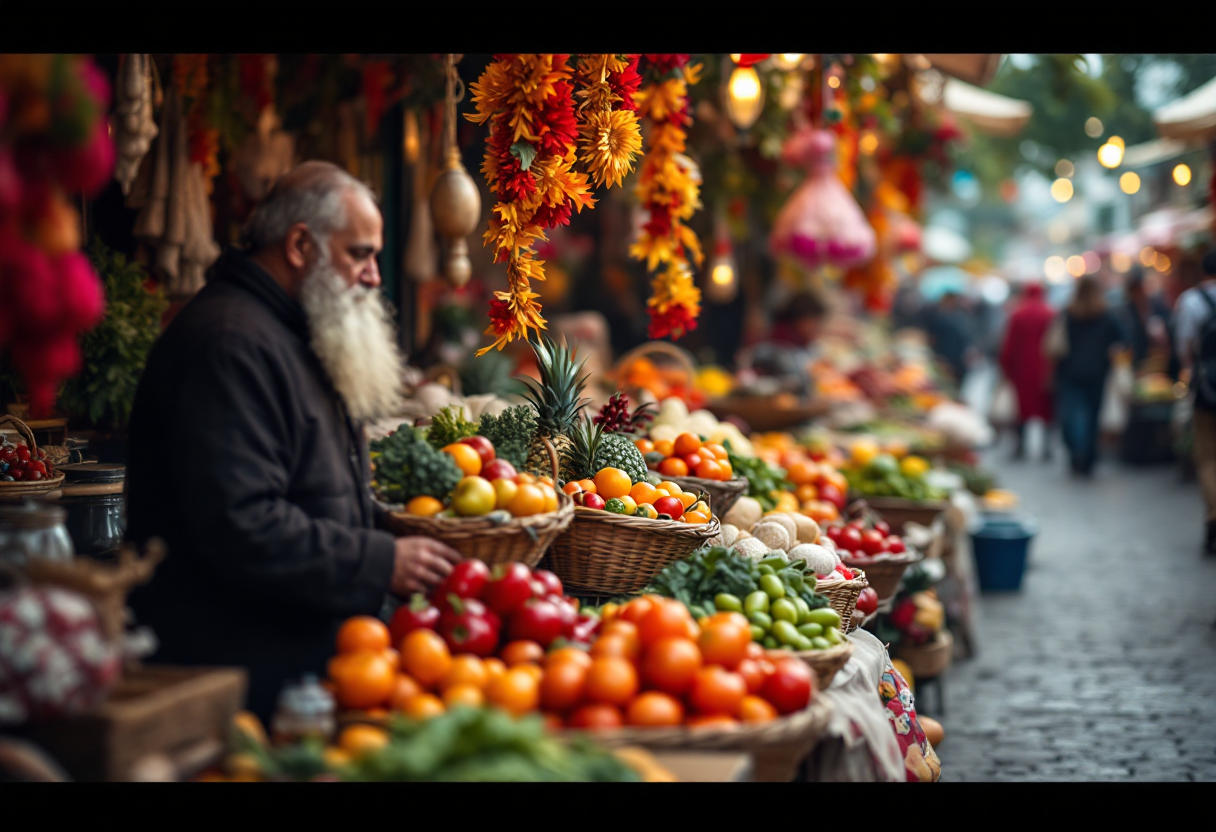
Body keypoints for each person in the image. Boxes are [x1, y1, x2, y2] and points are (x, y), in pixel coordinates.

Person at [125, 161, 463, 722]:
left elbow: (308, 486)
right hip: (235, 677)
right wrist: (380, 560)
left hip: (290, 665)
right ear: (301, 244)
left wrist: (385, 527)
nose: (375, 276)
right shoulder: (229, 344)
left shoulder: (286, 330)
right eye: (360, 254)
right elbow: (240, 523)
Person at [1049, 275, 1126, 477]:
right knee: (1092, 416)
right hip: (1098, 373)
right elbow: (1124, 339)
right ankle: (1088, 456)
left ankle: (1077, 452)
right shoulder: (1107, 315)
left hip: (1070, 372)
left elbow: (1055, 346)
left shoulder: (1068, 313)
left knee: (1071, 415)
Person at [1171, 248, 1216, 555]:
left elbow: (1184, 351)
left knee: (1208, 457)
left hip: (1207, 390)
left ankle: (1214, 515)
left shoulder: (1191, 301)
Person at [998, 282, 1055, 461]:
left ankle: (1020, 446)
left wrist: (1005, 367)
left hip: (1021, 369)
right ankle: (1046, 446)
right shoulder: (1051, 313)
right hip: (1045, 368)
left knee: (1021, 408)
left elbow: (1009, 345)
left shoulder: (1018, 314)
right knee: (1046, 408)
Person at [923, 291, 976, 394]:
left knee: (957, 385)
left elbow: (965, 338)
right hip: (943, 356)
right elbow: (932, 338)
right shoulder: (938, 317)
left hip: (957, 358)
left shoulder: (959, 317)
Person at [1118, 266, 1170, 367]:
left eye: (1139, 288)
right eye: (1134, 289)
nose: (1138, 292)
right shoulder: (1125, 311)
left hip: (1159, 361)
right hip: (1138, 362)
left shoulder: (1156, 305)